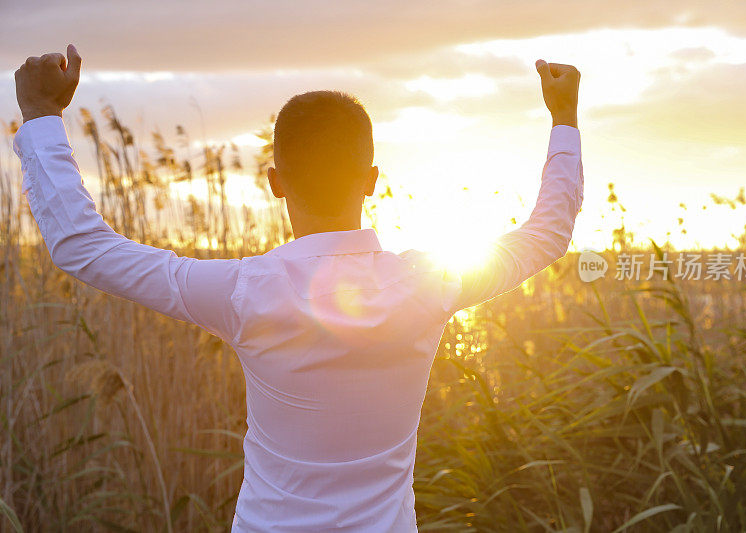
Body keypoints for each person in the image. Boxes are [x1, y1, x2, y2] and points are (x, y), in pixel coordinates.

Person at [13, 44, 583, 532]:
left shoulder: (244, 292)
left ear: (275, 183)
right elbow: (548, 233)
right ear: (372, 181)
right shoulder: (430, 283)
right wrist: (564, 116)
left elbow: (84, 247)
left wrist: (41, 113)